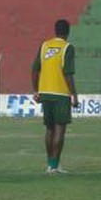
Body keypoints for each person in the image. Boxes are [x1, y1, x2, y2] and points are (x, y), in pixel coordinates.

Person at [31, 19, 78, 174]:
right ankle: (54, 166)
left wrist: (36, 90)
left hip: (45, 92)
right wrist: (74, 95)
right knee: (59, 129)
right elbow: (68, 73)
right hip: (60, 93)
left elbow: (34, 69)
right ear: (67, 32)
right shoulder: (67, 48)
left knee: (49, 129)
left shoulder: (45, 45)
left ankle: (50, 164)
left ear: (55, 30)